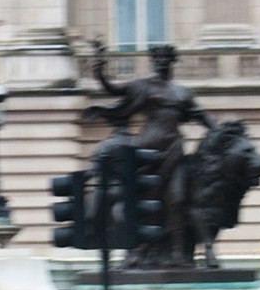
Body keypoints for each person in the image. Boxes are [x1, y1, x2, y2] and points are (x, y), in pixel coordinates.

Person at [83, 41, 213, 269]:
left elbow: (202, 117)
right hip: (148, 151)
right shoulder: (142, 85)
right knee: (141, 200)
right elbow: (113, 89)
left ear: (172, 61)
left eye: (165, 58)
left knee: (178, 198)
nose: (161, 61)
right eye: (157, 58)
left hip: (174, 149)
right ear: (153, 60)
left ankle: (177, 253)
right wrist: (99, 70)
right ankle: (137, 250)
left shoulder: (182, 92)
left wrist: (222, 132)